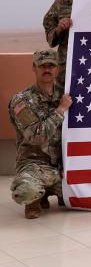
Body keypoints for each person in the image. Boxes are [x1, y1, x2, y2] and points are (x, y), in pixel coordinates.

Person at [8, 49, 72, 219]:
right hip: (35, 165)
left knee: (88, 191)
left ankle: (51, 192)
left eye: (51, 65)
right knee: (27, 192)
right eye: (42, 65)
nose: (47, 69)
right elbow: (37, 137)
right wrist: (61, 110)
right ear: (34, 68)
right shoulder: (22, 101)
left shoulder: (67, 96)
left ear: (57, 68)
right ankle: (35, 199)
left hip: (63, 166)